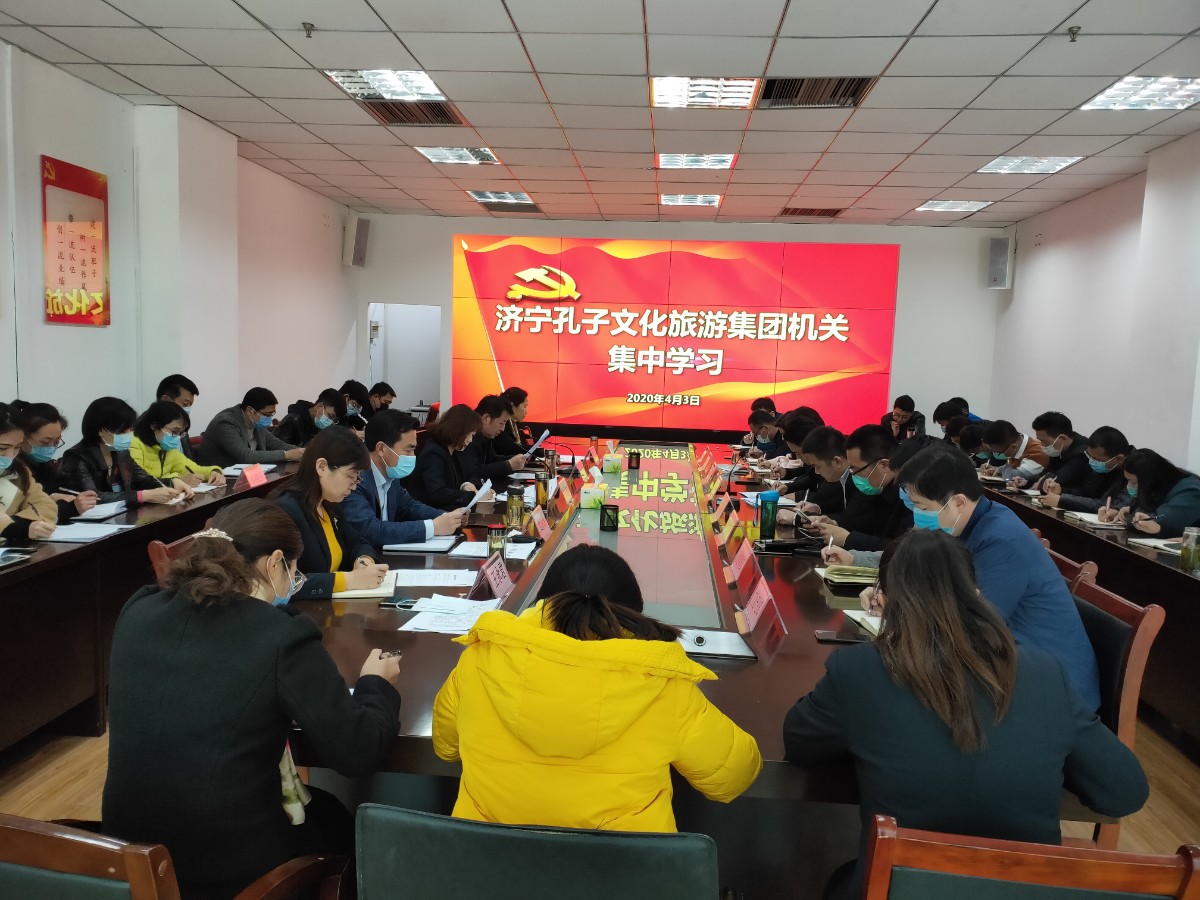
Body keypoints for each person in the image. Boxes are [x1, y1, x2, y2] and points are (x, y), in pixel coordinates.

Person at [783, 530, 1148, 900]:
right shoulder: (1045, 673)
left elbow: (799, 742)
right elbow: (1124, 792)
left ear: (886, 600)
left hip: (899, 888)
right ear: (975, 594)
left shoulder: (860, 669)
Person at [102, 498, 402, 900]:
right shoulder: (281, 635)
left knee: (325, 809)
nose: (294, 582)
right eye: (294, 571)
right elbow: (357, 750)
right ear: (275, 563)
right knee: (340, 825)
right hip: (223, 868)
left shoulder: (139, 608)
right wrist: (375, 684)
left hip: (128, 854)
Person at [433, 544, 762, 831]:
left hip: (485, 869)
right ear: (632, 612)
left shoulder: (480, 659)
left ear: (542, 602)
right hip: (624, 871)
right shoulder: (661, 683)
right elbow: (734, 775)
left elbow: (446, 748)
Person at [897, 446, 1100, 709]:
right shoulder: (965, 525)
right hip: (1011, 666)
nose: (917, 518)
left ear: (958, 502)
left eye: (922, 507)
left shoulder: (1000, 540)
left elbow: (976, 628)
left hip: (1055, 693)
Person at [272, 426, 388, 600]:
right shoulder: (285, 510)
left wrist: (363, 562)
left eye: (357, 478)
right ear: (322, 467)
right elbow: (281, 583)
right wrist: (348, 580)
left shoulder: (329, 504)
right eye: (351, 476)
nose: (354, 486)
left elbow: (358, 542)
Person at [342, 410, 468, 548]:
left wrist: (448, 517)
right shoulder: (355, 480)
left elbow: (409, 507)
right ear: (381, 449)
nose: (413, 456)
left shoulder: (391, 474)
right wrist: (432, 527)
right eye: (408, 450)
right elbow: (371, 531)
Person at [59, 397, 184, 506]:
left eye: (130, 430)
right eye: (123, 431)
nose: (129, 435)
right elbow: (93, 498)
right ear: (101, 431)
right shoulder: (76, 457)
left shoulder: (121, 452)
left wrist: (172, 482)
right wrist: (142, 496)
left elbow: (143, 479)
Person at [811, 426, 910, 551]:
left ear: (884, 465)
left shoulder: (909, 497)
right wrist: (835, 523)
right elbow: (867, 522)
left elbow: (901, 549)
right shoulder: (878, 488)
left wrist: (847, 539)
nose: (853, 475)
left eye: (856, 469)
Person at [9, 399, 98, 520]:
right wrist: (63, 504)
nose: (50, 448)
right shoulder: (13, 467)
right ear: (22, 437)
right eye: (44, 442)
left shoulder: (45, 466)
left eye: (56, 442)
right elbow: (19, 514)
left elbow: (53, 493)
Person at [1096, 448, 1200, 537]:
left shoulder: (1190, 491)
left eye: (1133, 482)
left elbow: (1154, 522)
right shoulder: (1162, 486)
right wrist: (1118, 511)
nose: (1129, 486)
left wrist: (1132, 512)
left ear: (1148, 480)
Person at [196, 388, 303, 469]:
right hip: (217, 477)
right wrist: (286, 455)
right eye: (267, 414)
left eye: (272, 414)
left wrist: (305, 452)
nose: (269, 418)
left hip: (245, 474)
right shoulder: (225, 422)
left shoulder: (255, 422)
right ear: (250, 410)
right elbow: (246, 456)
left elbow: (276, 444)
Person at [408, 404, 488, 511]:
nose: (470, 440)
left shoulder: (455, 449)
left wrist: (466, 485)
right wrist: (473, 496)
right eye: (470, 435)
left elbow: (470, 472)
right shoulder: (433, 453)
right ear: (458, 431)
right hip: (431, 513)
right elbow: (437, 493)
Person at [130, 402, 226, 488]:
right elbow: (140, 482)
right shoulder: (134, 444)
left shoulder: (167, 448)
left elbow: (192, 469)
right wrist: (176, 480)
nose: (177, 438)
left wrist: (214, 472)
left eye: (180, 433)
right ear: (154, 425)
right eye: (174, 432)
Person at [0, 403, 58, 541]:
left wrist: (21, 524)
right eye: (2, 448)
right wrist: (17, 528)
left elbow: (46, 505)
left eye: (17, 447)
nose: (10, 455)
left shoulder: (19, 471)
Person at [1041, 427, 1132, 513]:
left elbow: (1114, 506)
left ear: (1119, 459)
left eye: (1097, 459)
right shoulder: (1103, 464)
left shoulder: (1136, 468)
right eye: (1090, 457)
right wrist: (1061, 490)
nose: (1092, 462)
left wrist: (1062, 500)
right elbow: (1086, 492)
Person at [458, 395, 527, 495]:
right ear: (486, 418)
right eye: (501, 423)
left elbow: (492, 459)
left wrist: (514, 459)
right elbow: (472, 470)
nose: (503, 429)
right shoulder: (468, 438)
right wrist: (508, 465)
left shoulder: (485, 436)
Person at [981, 419, 1049, 484]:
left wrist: (1004, 470)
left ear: (1013, 447)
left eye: (999, 453)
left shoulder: (1036, 452)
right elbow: (1009, 467)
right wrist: (996, 469)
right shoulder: (1016, 446)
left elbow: (1012, 476)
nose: (995, 454)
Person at [274, 389, 344, 448]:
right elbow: (280, 451)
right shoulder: (293, 421)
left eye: (334, 420)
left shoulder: (315, 424)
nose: (330, 422)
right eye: (330, 416)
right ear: (319, 406)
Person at [156, 374, 200, 459]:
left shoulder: (181, 429)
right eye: (185, 404)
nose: (187, 410)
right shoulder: (144, 430)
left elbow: (189, 462)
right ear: (165, 400)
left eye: (190, 406)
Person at [492, 386, 537, 459]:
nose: (526, 411)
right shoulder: (501, 425)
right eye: (525, 406)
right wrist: (541, 452)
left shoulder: (514, 426)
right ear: (512, 406)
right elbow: (514, 449)